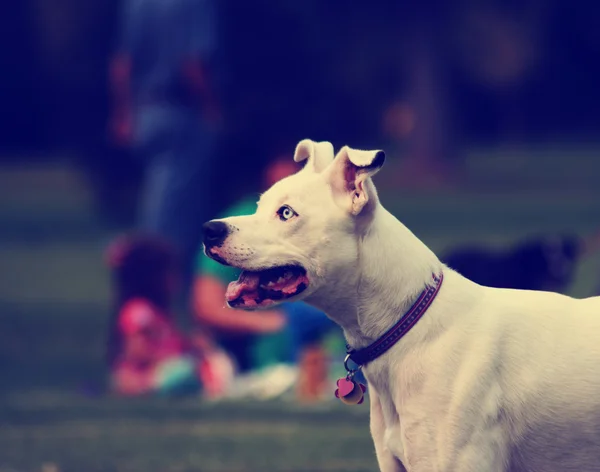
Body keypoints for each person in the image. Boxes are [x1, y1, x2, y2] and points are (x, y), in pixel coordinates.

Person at [193, 156, 339, 399]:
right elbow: (205, 306)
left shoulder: (328, 218)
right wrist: (275, 323)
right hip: (269, 347)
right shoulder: (239, 219)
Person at [108, 0, 221, 292]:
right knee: (175, 213)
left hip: (145, 111)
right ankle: (155, 285)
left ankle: (148, 278)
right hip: (180, 112)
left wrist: (123, 114)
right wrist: (212, 108)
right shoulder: (192, 5)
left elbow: (122, 64)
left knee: (159, 200)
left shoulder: (136, 5)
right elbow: (192, 64)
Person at [105, 233, 234, 398]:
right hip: (145, 378)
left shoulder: (157, 312)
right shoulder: (139, 312)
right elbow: (136, 352)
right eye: (169, 273)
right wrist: (173, 355)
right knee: (184, 371)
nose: (176, 279)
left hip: (161, 371)